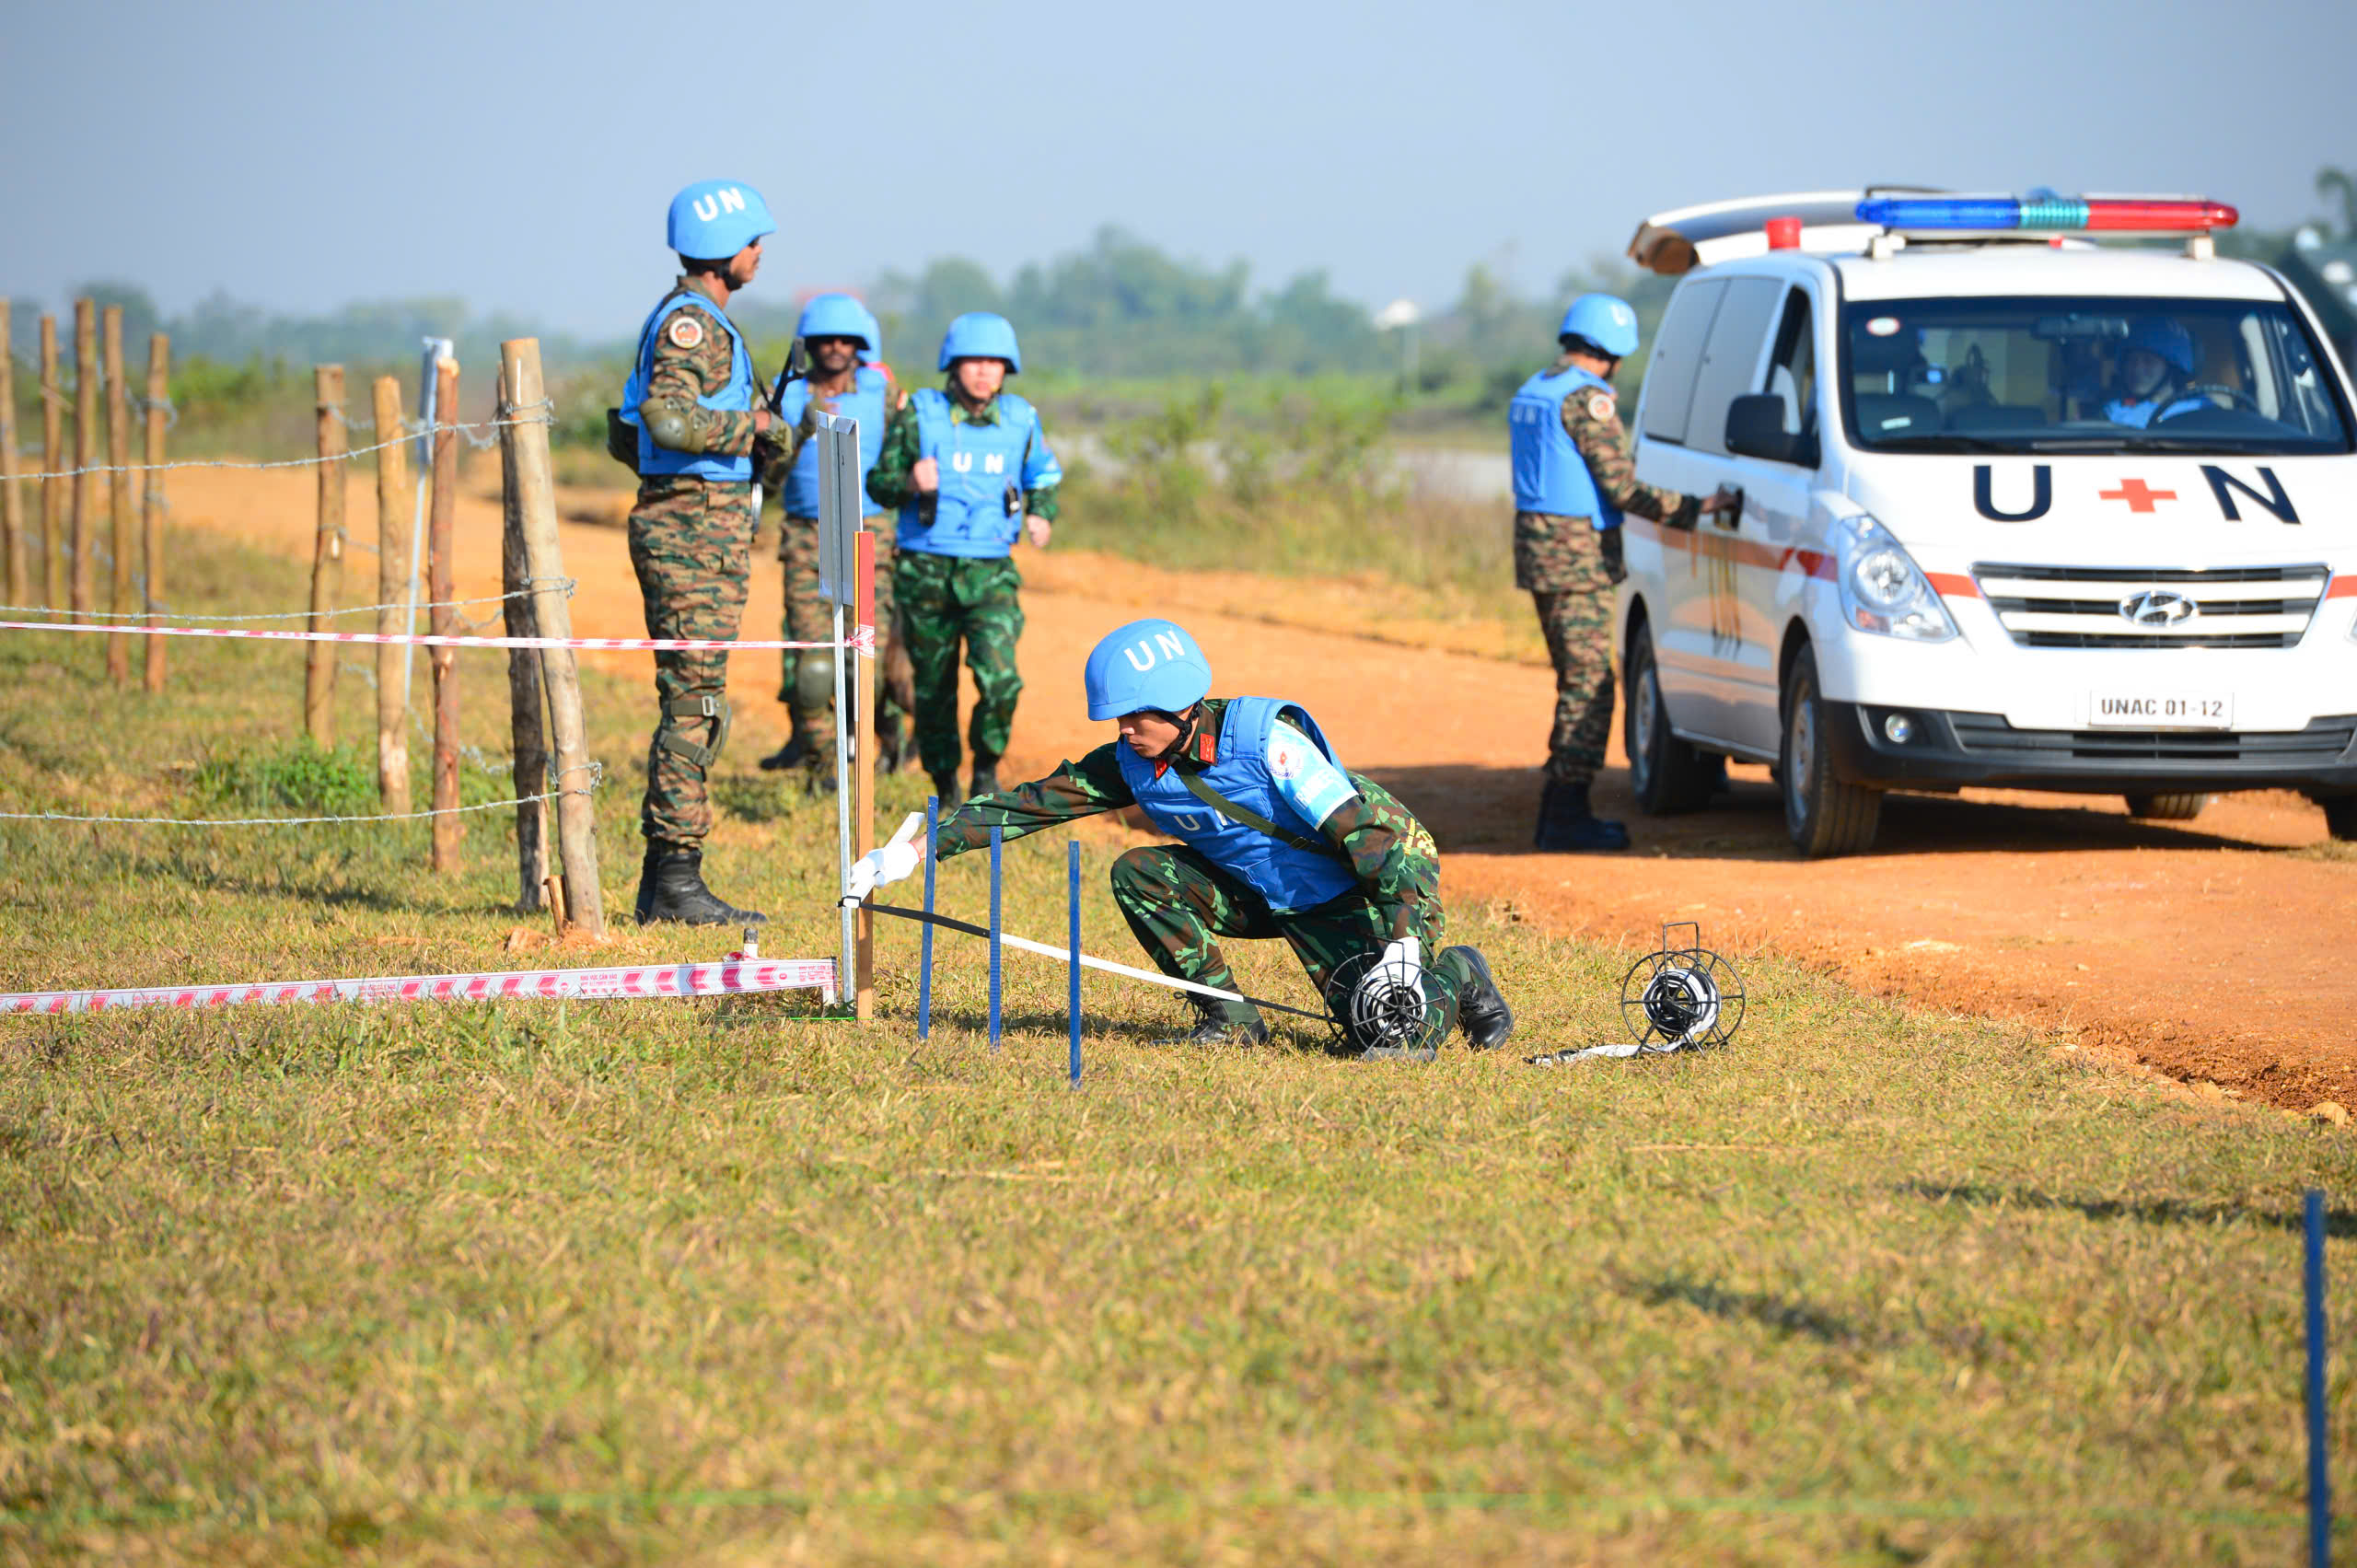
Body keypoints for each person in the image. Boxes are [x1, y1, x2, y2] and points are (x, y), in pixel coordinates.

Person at [842, 618, 1515, 1052]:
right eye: (1117, 720)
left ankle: (1460, 971)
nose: (1124, 732)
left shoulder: (1269, 743)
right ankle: (1230, 1018)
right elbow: (1027, 805)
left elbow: (1375, 843)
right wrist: (912, 849)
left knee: (1394, 1035)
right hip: (1268, 893)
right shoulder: (1131, 763)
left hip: (1374, 883)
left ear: (1179, 705)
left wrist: (1401, 947)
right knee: (1138, 873)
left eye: (1134, 717)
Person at [615, 178, 787, 925]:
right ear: (727, 251)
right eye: (755, 243)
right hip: (692, 529)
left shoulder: (690, 319)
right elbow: (663, 420)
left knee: (695, 698)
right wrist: (752, 429)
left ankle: (663, 884)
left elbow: (624, 434)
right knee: (695, 703)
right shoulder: (694, 327)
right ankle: (679, 878)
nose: (760, 256)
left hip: (699, 524)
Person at [1508, 293, 1736, 853]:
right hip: (1578, 560)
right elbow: (1623, 489)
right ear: (1613, 351)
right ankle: (1563, 812)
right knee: (1590, 686)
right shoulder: (1587, 402)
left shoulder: (1535, 389)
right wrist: (1697, 507)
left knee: (1577, 678)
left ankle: (1561, 810)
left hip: (1543, 555)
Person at [865, 311, 1062, 807]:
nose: (983, 371)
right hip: (925, 571)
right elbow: (878, 484)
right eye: (973, 361)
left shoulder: (1021, 419)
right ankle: (946, 788)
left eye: (994, 362)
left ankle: (986, 771)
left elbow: (1042, 476)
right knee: (933, 692)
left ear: (1005, 370)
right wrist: (910, 482)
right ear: (953, 367)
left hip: (990, 572)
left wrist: (1041, 514)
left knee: (1001, 681)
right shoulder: (920, 415)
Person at [754, 294, 915, 790]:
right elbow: (769, 475)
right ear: (811, 346)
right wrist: (799, 429)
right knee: (813, 663)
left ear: (859, 346)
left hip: (871, 534)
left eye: (847, 340)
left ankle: (887, 740)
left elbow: (906, 457)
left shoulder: (884, 395)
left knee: (870, 658)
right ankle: (825, 768)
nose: (836, 349)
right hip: (807, 536)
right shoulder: (788, 397)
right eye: (826, 340)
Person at [2104, 318, 2207, 427]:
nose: (2137, 369)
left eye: (2149, 361)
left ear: (2172, 367)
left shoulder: (2200, 409)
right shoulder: (2113, 412)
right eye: (2131, 360)